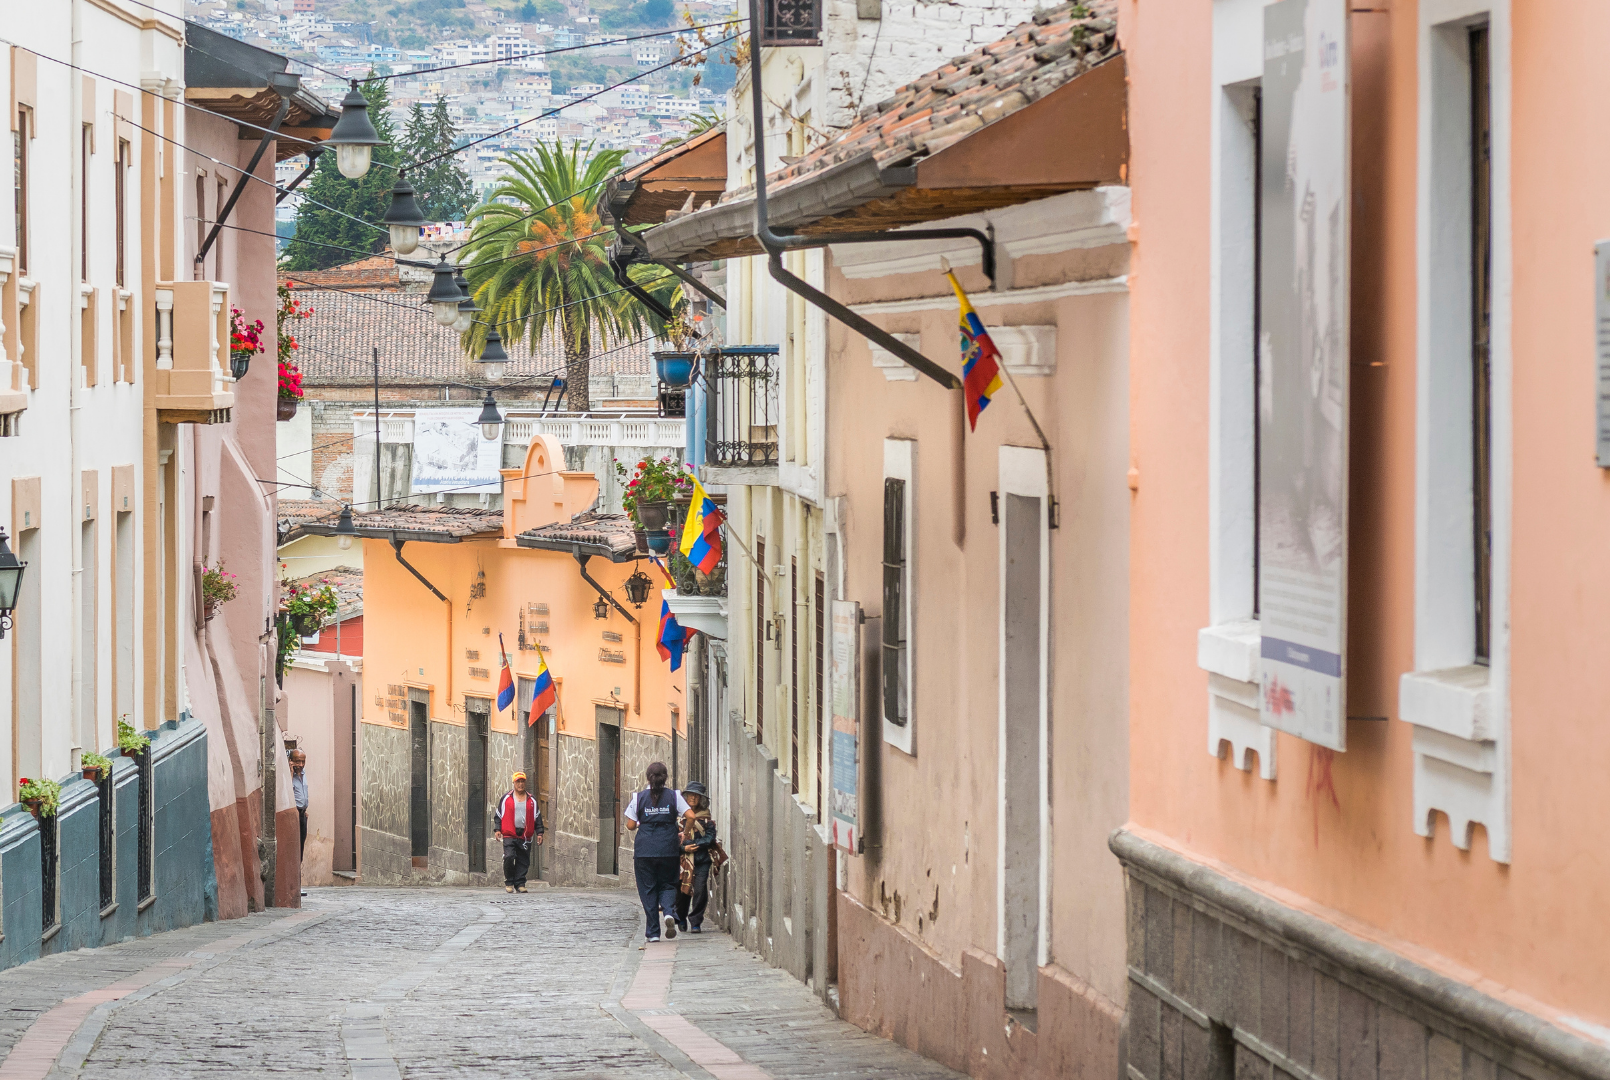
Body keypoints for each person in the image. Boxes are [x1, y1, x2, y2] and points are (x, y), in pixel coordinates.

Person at [624, 761, 690, 942]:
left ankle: (653, 933)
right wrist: (684, 832)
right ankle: (668, 912)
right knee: (669, 884)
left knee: (648, 889)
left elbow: (630, 825)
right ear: (665, 778)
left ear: (648, 778)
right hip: (668, 847)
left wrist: (642, 822)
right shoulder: (674, 796)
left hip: (644, 850)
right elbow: (690, 815)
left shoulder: (639, 798)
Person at [675, 780, 717, 934]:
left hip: (701, 859)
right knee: (681, 891)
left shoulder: (706, 819)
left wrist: (696, 844)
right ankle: (681, 918)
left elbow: (710, 837)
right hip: (682, 861)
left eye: (696, 796)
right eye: (690, 795)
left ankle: (696, 921)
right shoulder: (678, 818)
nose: (692, 798)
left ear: (702, 799)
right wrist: (683, 848)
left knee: (700, 889)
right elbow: (671, 839)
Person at [494, 771, 545, 893]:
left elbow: (537, 817)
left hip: (525, 834)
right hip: (509, 833)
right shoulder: (506, 798)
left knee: (523, 859)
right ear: (514, 783)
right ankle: (509, 882)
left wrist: (540, 833)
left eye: (522, 781)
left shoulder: (532, 800)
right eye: (518, 782)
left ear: (525, 783)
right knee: (509, 856)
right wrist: (497, 829)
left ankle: (520, 883)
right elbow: (499, 814)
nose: (520, 784)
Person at [289, 749, 308, 861]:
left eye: (303, 761)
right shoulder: (289, 775)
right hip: (294, 814)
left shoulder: (303, 774)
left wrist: (304, 810)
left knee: (301, 845)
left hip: (303, 814)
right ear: (291, 761)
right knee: (294, 847)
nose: (301, 765)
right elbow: (287, 792)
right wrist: (291, 773)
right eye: (297, 761)